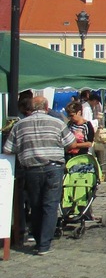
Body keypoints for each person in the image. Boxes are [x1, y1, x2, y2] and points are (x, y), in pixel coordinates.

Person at [3, 96, 76, 255]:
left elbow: (8, 149)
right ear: (46, 107)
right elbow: (71, 143)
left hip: (31, 169)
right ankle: (44, 244)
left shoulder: (20, 125)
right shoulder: (57, 122)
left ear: (31, 107)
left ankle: (38, 240)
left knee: (35, 205)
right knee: (50, 205)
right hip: (53, 168)